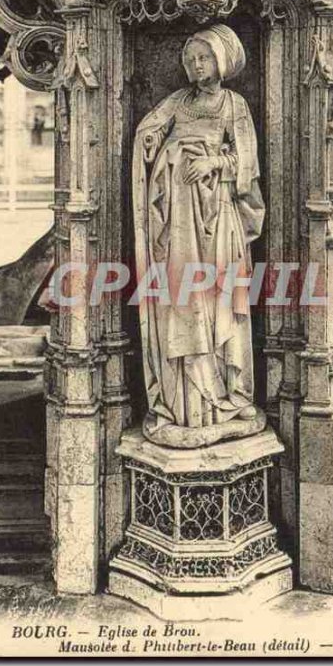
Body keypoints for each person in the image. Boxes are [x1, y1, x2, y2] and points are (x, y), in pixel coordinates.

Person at [132, 24, 266, 448]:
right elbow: (147, 133)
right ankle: (188, 404)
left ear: (222, 61)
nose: (195, 65)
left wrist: (213, 163)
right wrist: (160, 148)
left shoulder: (234, 105)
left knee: (221, 300)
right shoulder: (178, 101)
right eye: (190, 59)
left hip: (219, 218)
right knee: (183, 298)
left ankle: (231, 395)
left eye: (203, 58)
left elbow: (247, 161)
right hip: (178, 221)